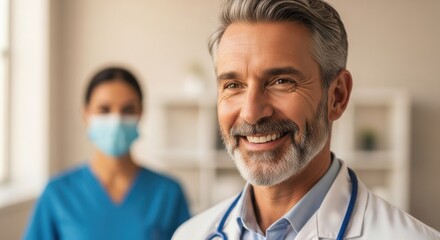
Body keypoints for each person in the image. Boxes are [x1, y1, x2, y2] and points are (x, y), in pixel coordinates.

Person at [173, 0, 440, 239]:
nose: (252, 113)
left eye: (281, 81)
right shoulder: (190, 235)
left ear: (337, 96)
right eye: (233, 85)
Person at [24, 66, 190, 240]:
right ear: (86, 114)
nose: (116, 120)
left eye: (128, 110)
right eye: (104, 110)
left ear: (141, 113)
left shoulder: (167, 193)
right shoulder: (58, 193)